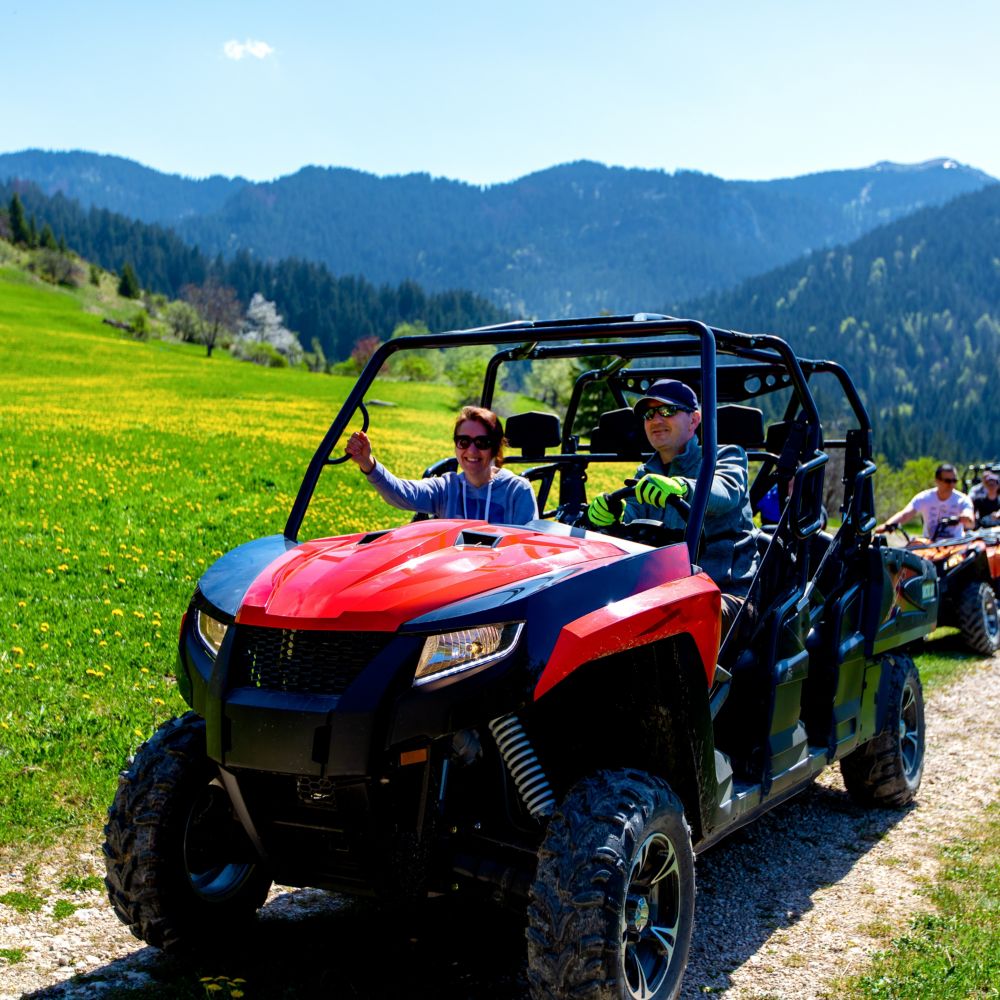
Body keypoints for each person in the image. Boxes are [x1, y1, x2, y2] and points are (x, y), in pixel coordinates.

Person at [586, 378, 759, 639]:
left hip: (727, 594)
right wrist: (610, 519)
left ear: (694, 420)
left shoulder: (725, 457)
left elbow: (725, 493)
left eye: (667, 411)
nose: (656, 419)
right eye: (648, 413)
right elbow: (629, 526)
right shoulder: (645, 474)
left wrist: (681, 487)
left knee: (677, 616)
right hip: (661, 592)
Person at [344, 405, 539, 525]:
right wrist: (367, 463)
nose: (471, 451)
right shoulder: (446, 488)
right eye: (463, 441)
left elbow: (528, 550)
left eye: (481, 443)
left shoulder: (517, 491)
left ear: (496, 447)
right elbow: (402, 493)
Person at [876, 463, 974, 540]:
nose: (952, 484)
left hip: (955, 546)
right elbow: (905, 514)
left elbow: (970, 517)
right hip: (930, 545)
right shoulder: (924, 497)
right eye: (948, 481)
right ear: (937, 480)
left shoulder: (962, 499)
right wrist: (886, 526)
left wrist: (966, 517)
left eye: (954, 481)